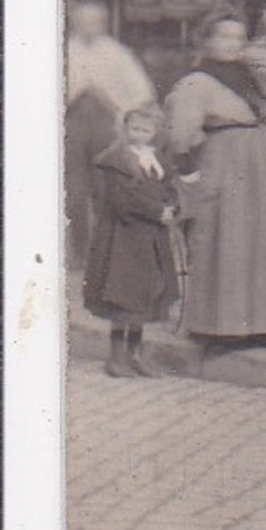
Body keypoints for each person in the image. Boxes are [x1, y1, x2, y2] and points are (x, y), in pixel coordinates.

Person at [164, 10, 266, 340]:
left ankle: (260, 325)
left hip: (258, 169)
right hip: (223, 165)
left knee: (261, 245)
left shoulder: (248, 76)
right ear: (206, 41)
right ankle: (218, 328)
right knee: (226, 244)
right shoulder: (196, 82)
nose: (232, 44)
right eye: (224, 36)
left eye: (239, 38)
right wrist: (191, 176)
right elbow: (181, 133)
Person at [83, 104, 178, 378]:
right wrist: (157, 211)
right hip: (125, 238)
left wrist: (172, 206)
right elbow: (121, 199)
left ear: (155, 133)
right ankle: (115, 358)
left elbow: (169, 187)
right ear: (125, 129)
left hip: (150, 237)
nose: (140, 135)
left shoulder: (157, 158)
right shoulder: (116, 161)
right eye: (134, 129)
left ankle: (135, 354)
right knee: (122, 295)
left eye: (146, 130)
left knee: (145, 294)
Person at [66, 0, 157, 268]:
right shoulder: (65, 50)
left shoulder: (118, 53)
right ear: (74, 22)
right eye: (83, 20)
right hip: (72, 124)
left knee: (106, 188)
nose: (89, 26)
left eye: (95, 21)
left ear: (104, 24)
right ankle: (80, 253)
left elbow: (144, 93)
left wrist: (117, 105)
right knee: (75, 191)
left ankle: (108, 252)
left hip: (109, 125)